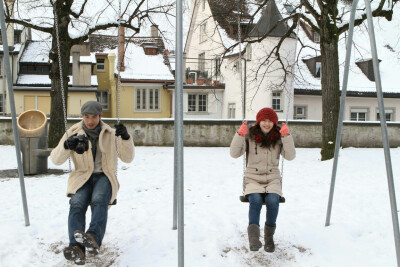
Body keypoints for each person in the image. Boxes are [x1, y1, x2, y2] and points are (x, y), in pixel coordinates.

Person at [50, 101, 134, 265]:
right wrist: (67, 146)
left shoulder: (110, 133)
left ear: (100, 116)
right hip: (82, 176)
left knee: (99, 199)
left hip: (104, 175)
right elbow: (55, 159)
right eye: (86, 117)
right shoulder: (73, 132)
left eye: (94, 117)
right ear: (82, 116)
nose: (90, 121)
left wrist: (125, 137)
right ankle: (76, 248)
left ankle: (93, 238)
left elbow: (128, 158)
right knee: (76, 203)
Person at [230, 107, 296, 253]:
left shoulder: (279, 137)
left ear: (274, 123)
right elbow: (234, 154)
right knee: (256, 200)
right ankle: (254, 238)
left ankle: (269, 238)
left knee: (273, 200)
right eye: (264, 121)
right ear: (259, 122)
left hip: (272, 179)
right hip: (252, 178)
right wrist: (240, 135)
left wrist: (287, 137)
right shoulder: (250, 136)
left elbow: (290, 156)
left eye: (270, 121)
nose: (267, 124)